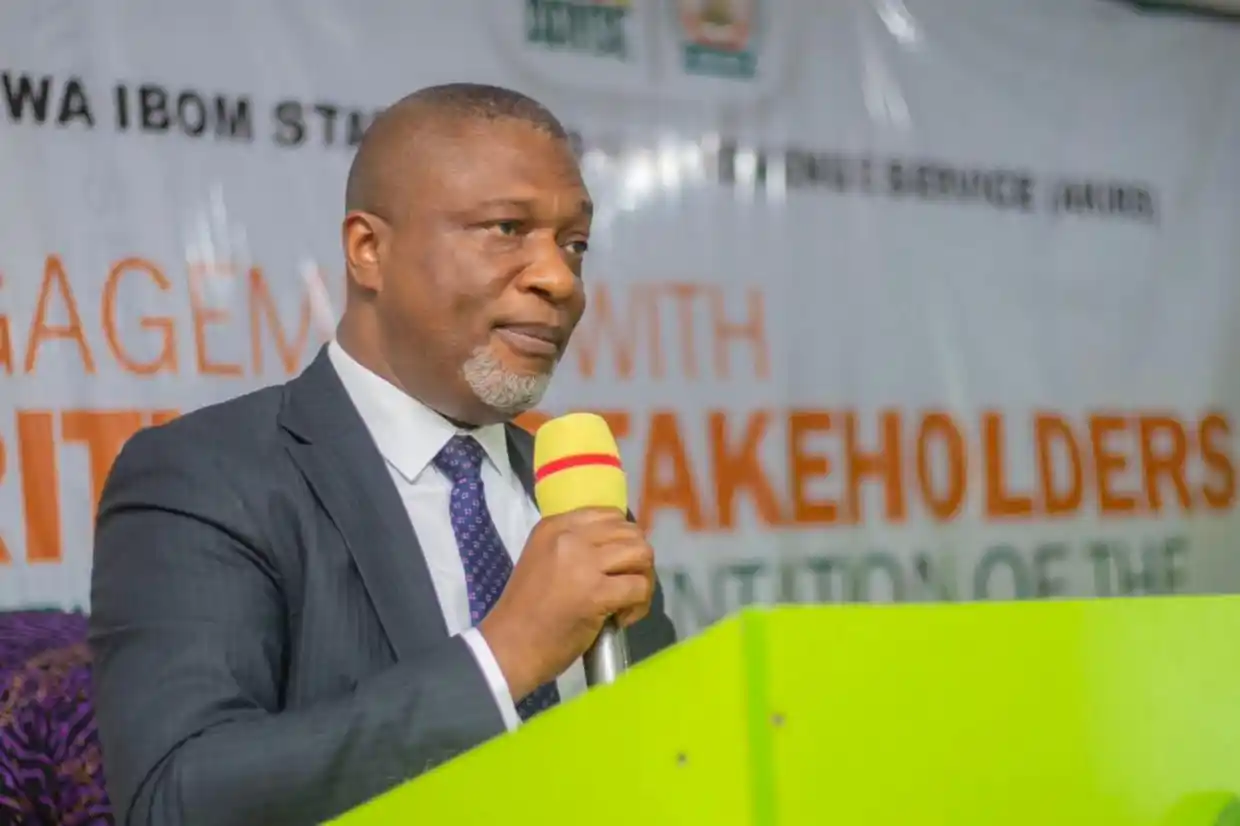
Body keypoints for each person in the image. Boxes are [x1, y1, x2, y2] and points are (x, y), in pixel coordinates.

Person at [88, 83, 677, 826]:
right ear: (369, 250)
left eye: (575, 244)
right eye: (506, 228)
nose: (559, 279)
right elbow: (177, 797)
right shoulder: (207, 479)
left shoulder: (573, 491)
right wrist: (502, 658)